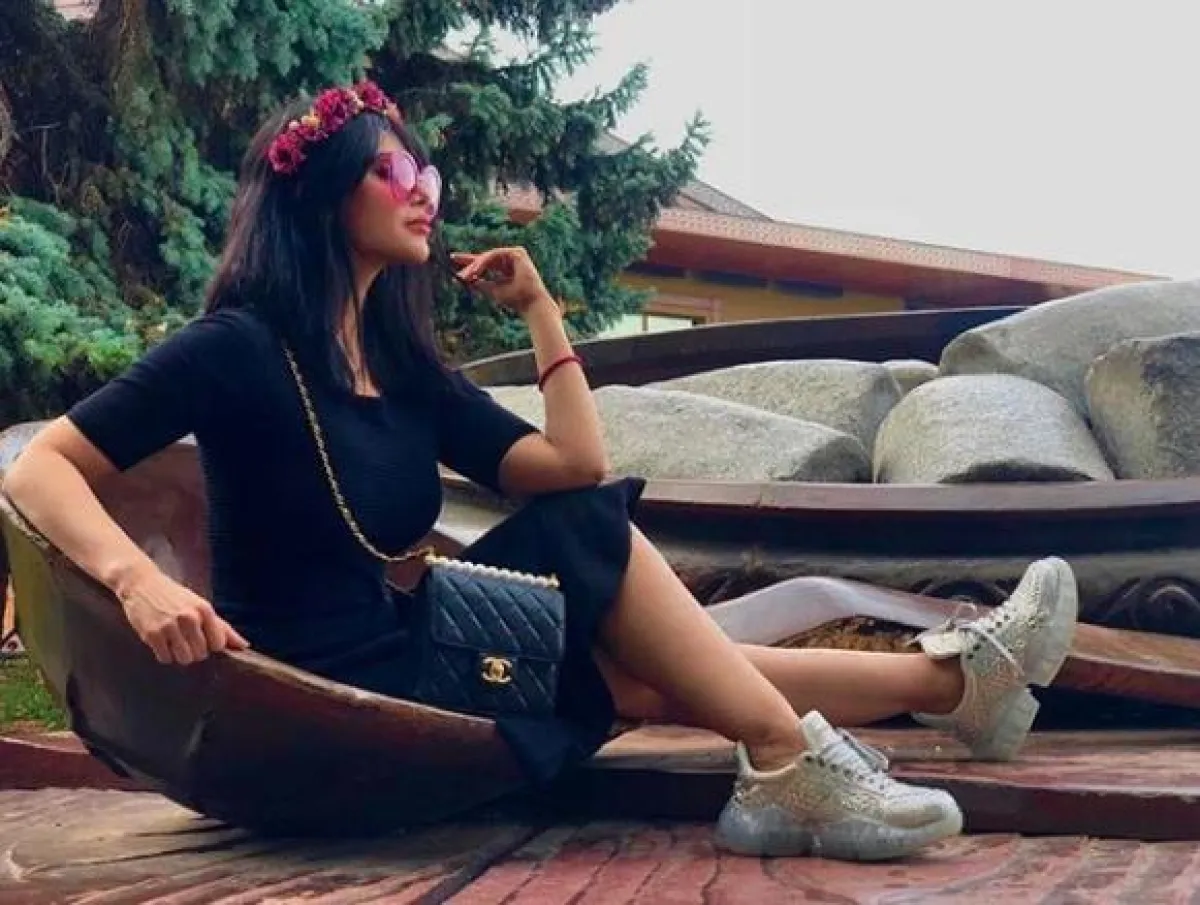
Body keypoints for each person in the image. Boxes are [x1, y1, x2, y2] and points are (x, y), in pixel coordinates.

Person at [2, 81, 1078, 862]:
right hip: (307, 690)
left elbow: (572, 462)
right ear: (323, 193)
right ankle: (789, 755)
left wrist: (541, 310)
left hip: (414, 644)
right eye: (396, 171)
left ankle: (953, 688)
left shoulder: (403, 369)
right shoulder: (237, 348)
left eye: (427, 174)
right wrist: (137, 581)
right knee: (592, 545)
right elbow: (39, 468)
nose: (424, 192)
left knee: (640, 655)